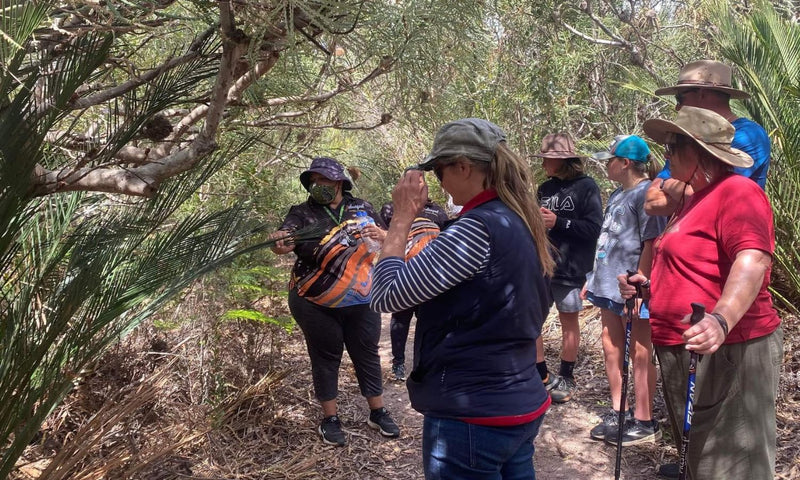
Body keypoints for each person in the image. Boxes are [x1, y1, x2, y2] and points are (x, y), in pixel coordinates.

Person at [370, 118, 555, 479]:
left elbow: (386, 295)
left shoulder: (476, 228)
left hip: (472, 414)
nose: (438, 181)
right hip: (520, 401)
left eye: (439, 170)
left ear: (463, 167)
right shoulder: (522, 219)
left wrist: (403, 217)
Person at [619, 106, 782, 479]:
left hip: (729, 349)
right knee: (700, 459)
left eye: (673, 147)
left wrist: (721, 319)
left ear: (700, 151)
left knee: (731, 465)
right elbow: (692, 265)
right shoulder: (693, 199)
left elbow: (753, 259)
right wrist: (647, 286)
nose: (667, 157)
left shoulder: (737, 192)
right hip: (690, 349)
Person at [270, 156, 400, 447]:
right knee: (326, 355)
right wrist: (281, 242)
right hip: (314, 299)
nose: (319, 186)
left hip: (362, 297)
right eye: (314, 181)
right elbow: (286, 238)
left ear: (340, 182)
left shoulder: (362, 207)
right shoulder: (302, 212)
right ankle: (330, 418)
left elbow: (386, 239)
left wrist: (381, 234)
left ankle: (377, 412)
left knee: (366, 352)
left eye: (325, 180)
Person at [582, 135, 666, 446]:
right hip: (606, 284)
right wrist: (591, 279)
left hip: (633, 288)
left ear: (625, 163)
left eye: (610, 160)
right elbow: (607, 242)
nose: (607, 165)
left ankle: (644, 419)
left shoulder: (647, 194)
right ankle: (620, 411)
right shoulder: (618, 194)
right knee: (611, 344)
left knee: (640, 351)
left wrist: (640, 280)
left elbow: (651, 242)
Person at [645, 59, 771, 217]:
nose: (677, 107)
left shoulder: (749, 135)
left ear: (701, 94)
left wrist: (671, 186)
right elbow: (651, 201)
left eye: (680, 98)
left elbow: (706, 195)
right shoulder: (684, 139)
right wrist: (682, 189)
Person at [534, 133, 603, 403]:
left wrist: (559, 223)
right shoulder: (544, 189)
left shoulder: (587, 187)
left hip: (572, 268)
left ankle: (566, 375)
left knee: (568, 322)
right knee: (532, 321)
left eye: (547, 160)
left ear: (563, 160)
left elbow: (594, 228)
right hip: (543, 266)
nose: (544, 166)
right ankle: (540, 375)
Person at [378, 200, 449, 381]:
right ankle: (398, 363)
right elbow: (381, 236)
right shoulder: (391, 208)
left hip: (431, 280)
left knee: (429, 324)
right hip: (403, 275)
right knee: (400, 321)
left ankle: (426, 364)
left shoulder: (437, 211)